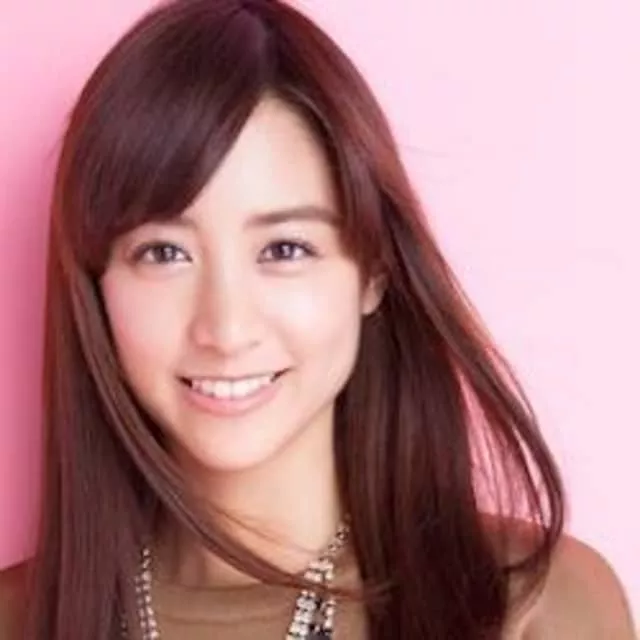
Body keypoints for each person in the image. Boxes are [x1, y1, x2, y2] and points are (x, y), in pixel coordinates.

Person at [0, 0, 636, 638]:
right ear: (97, 287)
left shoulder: (532, 606)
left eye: (284, 249)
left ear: (372, 272)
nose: (226, 329)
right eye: (164, 253)